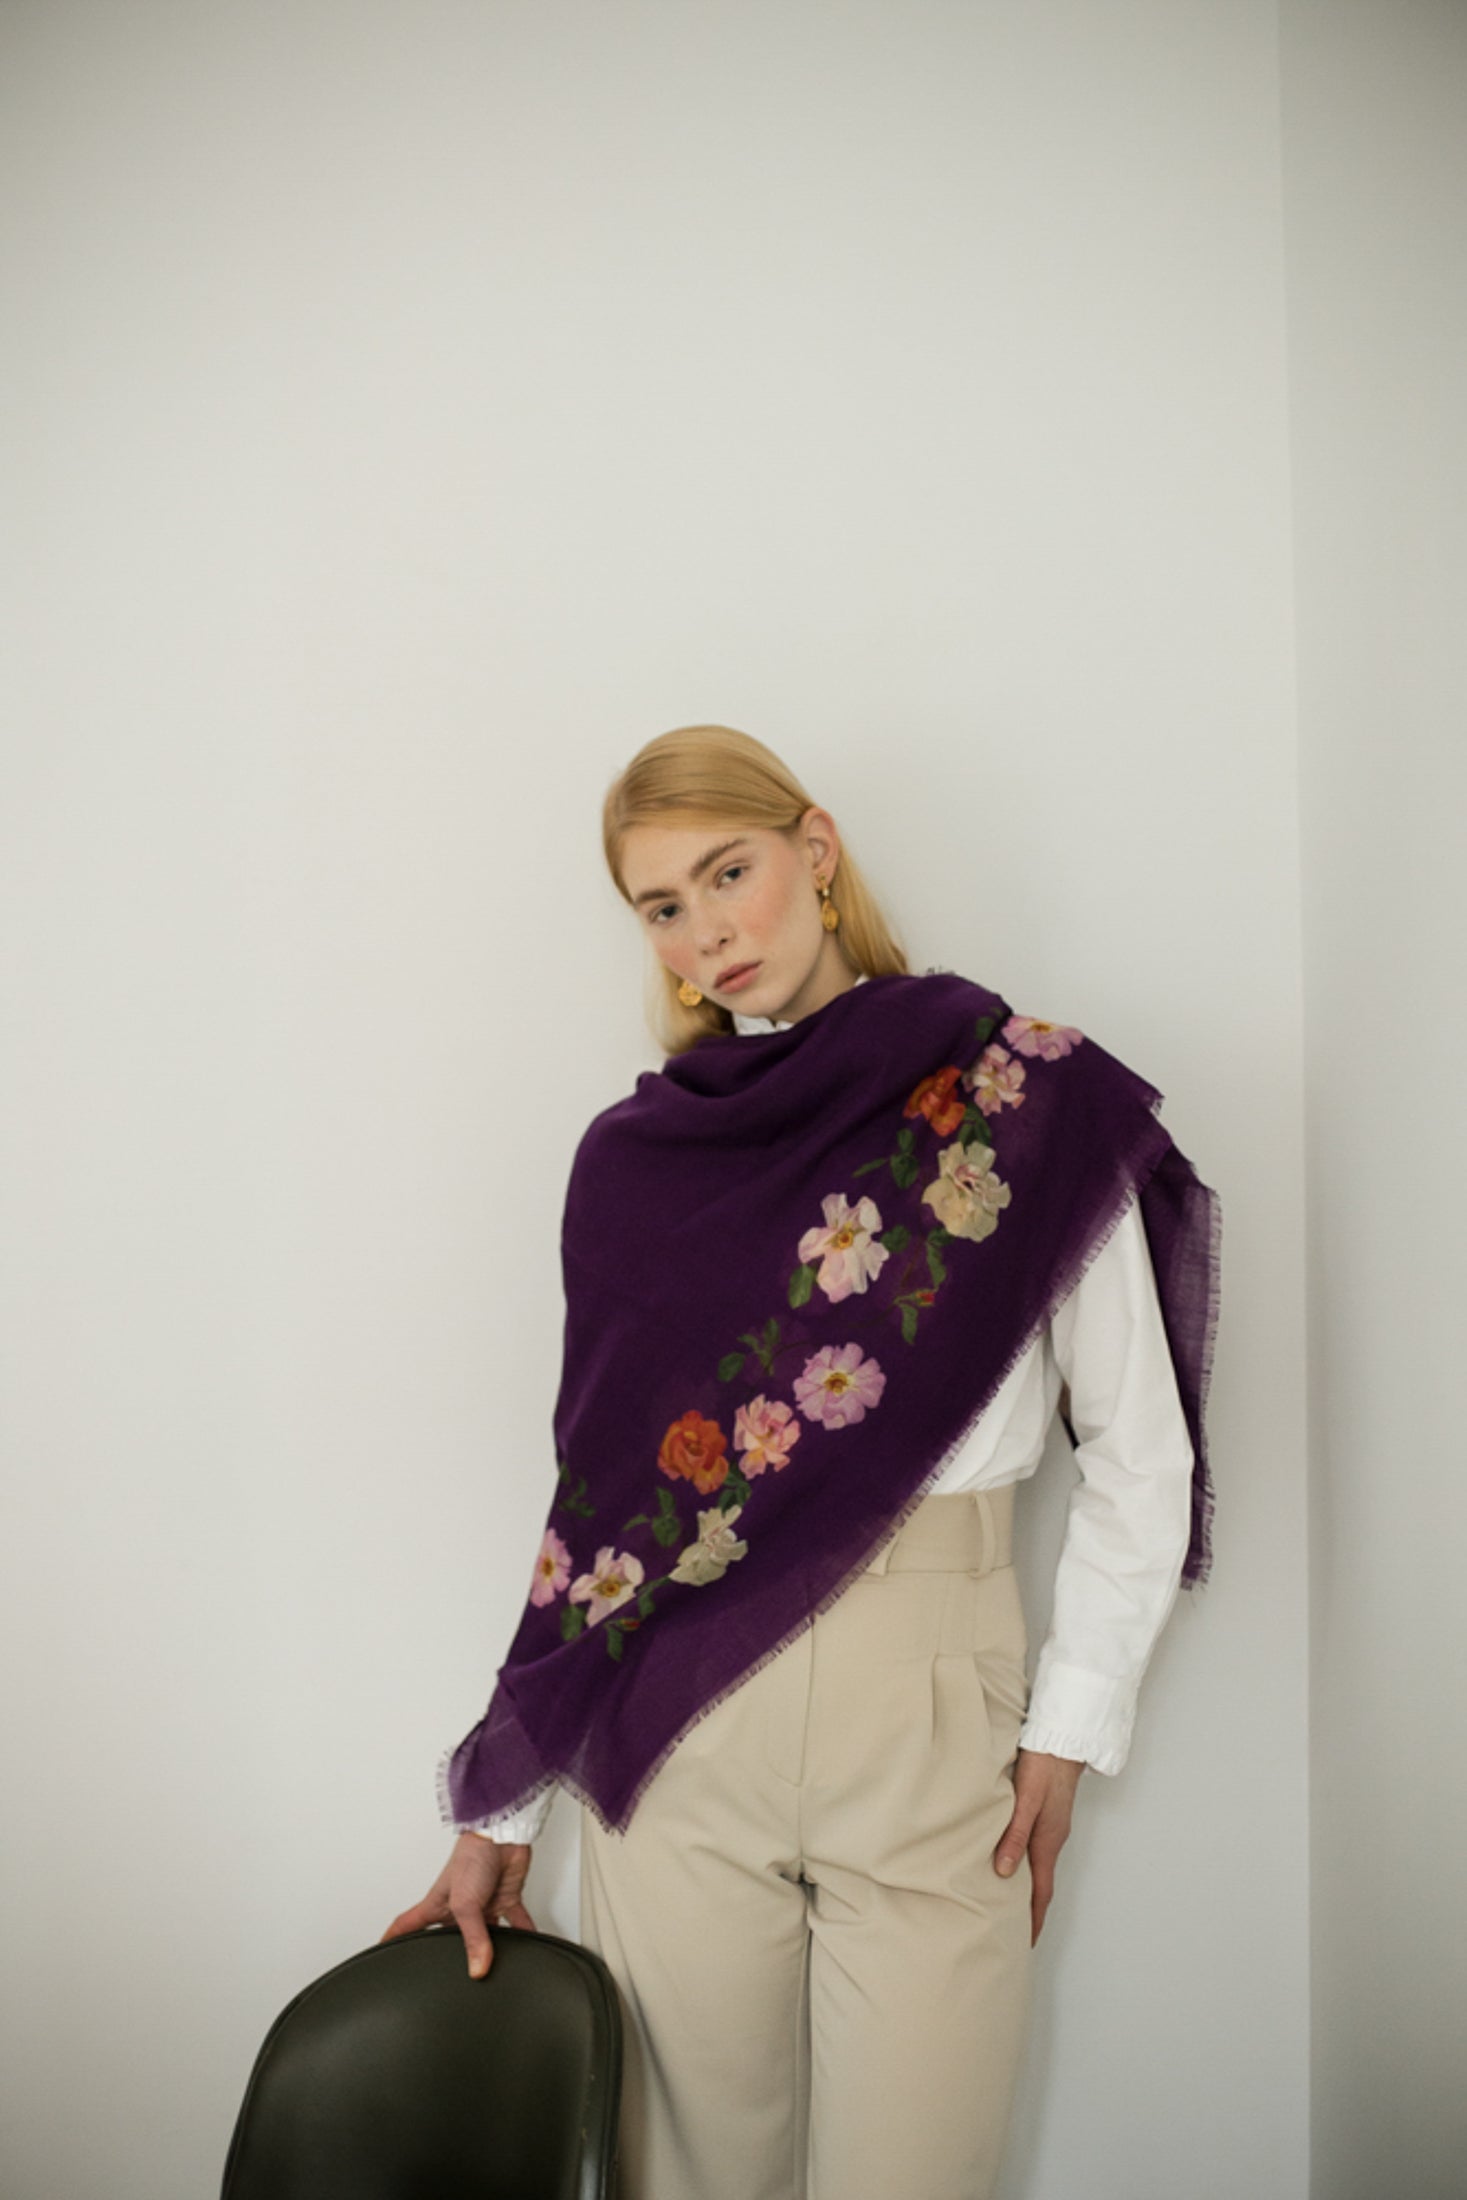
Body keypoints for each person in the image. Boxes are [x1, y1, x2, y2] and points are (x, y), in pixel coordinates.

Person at [381, 723, 1219, 2200]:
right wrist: (503, 1809)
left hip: (934, 1712)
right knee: (687, 2181)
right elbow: (602, 1513)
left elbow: (1138, 1447)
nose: (708, 930)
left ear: (815, 852)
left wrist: (1071, 1722)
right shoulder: (636, 1163)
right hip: (683, 1729)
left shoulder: (1020, 1101)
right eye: (663, 905)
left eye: (730, 873)